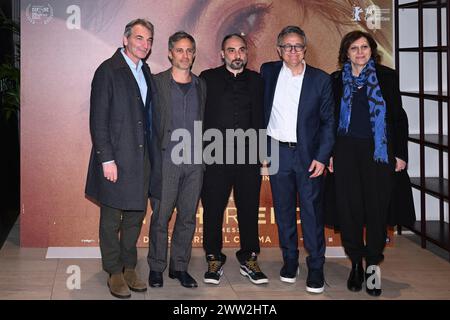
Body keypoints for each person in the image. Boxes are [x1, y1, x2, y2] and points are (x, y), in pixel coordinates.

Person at [328, 30, 409, 296]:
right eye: (354, 48)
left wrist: (400, 153)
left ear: (371, 50)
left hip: (379, 153)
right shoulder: (337, 80)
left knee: (376, 210)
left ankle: (372, 264)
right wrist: (328, 154)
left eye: (364, 47)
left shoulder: (387, 77)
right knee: (349, 210)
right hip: (346, 152)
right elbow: (328, 121)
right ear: (346, 53)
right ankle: (356, 265)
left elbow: (398, 117)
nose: (360, 52)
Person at [85, 18, 161, 299]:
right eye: (140, 38)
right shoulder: (108, 70)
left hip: (142, 158)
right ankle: (114, 271)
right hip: (116, 158)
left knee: (135, 215)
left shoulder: (146, 71)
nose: (145, 44)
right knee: (111, 219)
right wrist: (106, 159)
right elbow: (98, 119)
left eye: (149, 40)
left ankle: (130, 266)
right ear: (126, 38)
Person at [260, 26, 335, 294]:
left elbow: (328, 123)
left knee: (312, 213)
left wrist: (322, 157)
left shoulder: (321, 80)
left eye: (298, 46)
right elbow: (260, 112)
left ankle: (316, 267)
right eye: (287, 46)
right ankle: (290, 261)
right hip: (278, 153)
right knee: (283, 212)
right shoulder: (267, 72)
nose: (293, 51)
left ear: (305, 49)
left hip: (308, 157)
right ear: (279, 49)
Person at [200, 34, 267, 285]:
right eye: (231, 50)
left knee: (249, 209)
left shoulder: (258, 81)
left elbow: (260, 117)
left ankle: (249, 258)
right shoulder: (207, 79)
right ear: (222, 54)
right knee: (214, 209)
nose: (236, 55)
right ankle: (214, 257)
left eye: (240, 50)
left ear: (246, 53)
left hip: (249, 157)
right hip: (215, 155)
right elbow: (200, 117)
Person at [147, 31, 206, 289]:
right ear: (170, 53)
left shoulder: (201, 85)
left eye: (189, 50)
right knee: (161, 216)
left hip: (194, 163)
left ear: (194, 54)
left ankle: (179, 267)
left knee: (187, 217)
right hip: (165, 160)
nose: (185, 55)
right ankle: (157, 267)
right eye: (180, 50)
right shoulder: (156, 82)